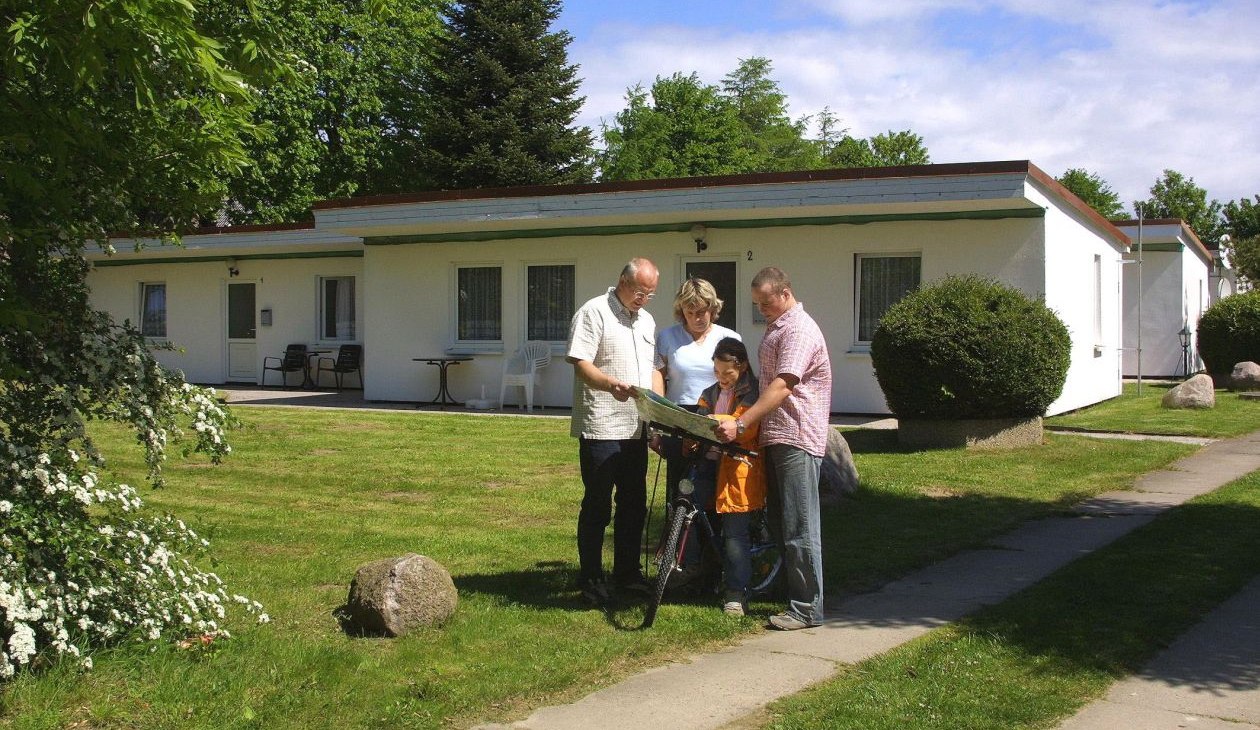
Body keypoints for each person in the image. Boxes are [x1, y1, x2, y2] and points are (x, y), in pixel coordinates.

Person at [715, 267, 831, 630]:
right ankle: (794, 598)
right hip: (778, 437)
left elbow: (783, 385)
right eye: (757, 304)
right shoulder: (779, 326)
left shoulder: (798, 329)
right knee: (782, 524)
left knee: (800, 526)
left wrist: (744, 422)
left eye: (766, 302)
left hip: (796, 437)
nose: (761, 309)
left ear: (785, 292)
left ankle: (808, 608)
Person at [566, 257, 665, 605]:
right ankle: (591, 578)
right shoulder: (593, 312)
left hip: (636, 427)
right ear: (622, 281)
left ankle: (627, 573)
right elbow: (580, 362)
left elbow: (653, 366)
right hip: (602, 425)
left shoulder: (647, 320)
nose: (644, 299)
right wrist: (609, 385)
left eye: (650, 294)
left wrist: (658, 408)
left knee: (634, 504)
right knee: (597, 505)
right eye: (640, 291)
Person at [692, 337, 765, 617]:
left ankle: (736, 593)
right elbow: (699, 419)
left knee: (735, 533)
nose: (721, 379)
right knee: (698, 520)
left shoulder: (752, 392)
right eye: (717, 372)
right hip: (709, 466)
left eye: (728, 373)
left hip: (738, 470)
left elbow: (744, 426)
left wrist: (711, 421)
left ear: (743, 367)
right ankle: (701, 576)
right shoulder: (709, 392)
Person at [652, 278, 741, 499]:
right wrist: (656, 423)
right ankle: (679, 534)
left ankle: (713, 533)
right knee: (679, 488)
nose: (696, 319)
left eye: (701, 312)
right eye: (689, 313)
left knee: (712, 487)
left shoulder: (729, 338)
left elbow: (739, 383)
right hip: (678, 417)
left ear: (712, 308)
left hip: (715, 417)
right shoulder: (667, 337)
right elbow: (657, 376)